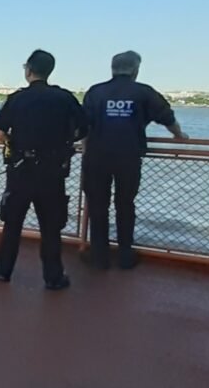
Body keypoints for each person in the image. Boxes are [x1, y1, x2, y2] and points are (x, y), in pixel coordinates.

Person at [0, 49, 88, 290]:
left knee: (12, 223)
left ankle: (3, 269)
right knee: (51, 227)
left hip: (21, 171)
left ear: (28, 70)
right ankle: (53, 277)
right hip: (53, 171)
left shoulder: (17, 98)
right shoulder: (65, 98)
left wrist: (15, 144)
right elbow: (83, 129)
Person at [81, 51, 188, 269]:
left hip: (96, 156)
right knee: (125, 204)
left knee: (98, 206)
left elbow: (84, 126)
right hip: (128, 157)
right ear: (136, 70)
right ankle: (125, 255)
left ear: (112, 68)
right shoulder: (144, 92)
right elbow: (167, 116)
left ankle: (98, 257)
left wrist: (85, 148)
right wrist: (179, 135)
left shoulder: (96, 92)